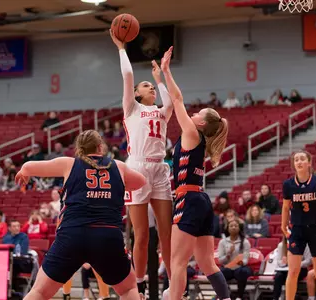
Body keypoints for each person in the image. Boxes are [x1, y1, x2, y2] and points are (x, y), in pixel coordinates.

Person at [16, 129, 147, 300]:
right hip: (107, 236)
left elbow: (29, 166)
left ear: (79, 149)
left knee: (40, 292)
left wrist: (23, 173)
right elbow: (141, 182)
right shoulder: (118, 166)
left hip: (72, 235)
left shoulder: (68, 163)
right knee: (129, 289)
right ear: (101, 147)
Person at [158, 47, 231, 300]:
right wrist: (160, 80)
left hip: (188, 200)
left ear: (201, 123)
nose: (194, 113)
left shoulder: (192, 134)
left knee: (177, 263)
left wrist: (167, 72)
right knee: (207, 263)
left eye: (199, 113)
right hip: (201, 200)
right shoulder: (196, 138)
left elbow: (177, 99)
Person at [111, 29, 175, 297]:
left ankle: (175, 284)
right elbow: (127, 76)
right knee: (141, 235)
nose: (149, 86)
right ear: (136, 94)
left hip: (159, 169)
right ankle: (137, 287)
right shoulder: (132, 109)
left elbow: (172, 99)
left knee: (167, 233)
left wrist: (161, 77)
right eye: (145, 85)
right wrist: (121, 48)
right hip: (136, 168)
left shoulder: (162, 111)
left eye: (150, 85)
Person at [281, 150, 316, 300]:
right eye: (296, 159)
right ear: (294, 164)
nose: (299, 161)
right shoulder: (288, 185)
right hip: (297, 230)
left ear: (309, 163)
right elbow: (285, 207)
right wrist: (283, 225)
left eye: (302, 159)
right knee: (293, 271)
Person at [217, 220, 252, 300]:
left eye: (236, 226)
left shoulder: (245, 242)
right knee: (220, 272)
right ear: (228, 229)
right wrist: (228, 254)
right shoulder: (222, 242)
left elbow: (246, 258)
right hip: (228, 267)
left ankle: (240, 296)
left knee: (243, 272)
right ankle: (224, 296)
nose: (233, 227)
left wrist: (242, 262)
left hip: (240, 267)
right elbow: (221, 260)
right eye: (231, 226)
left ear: (239, 228)